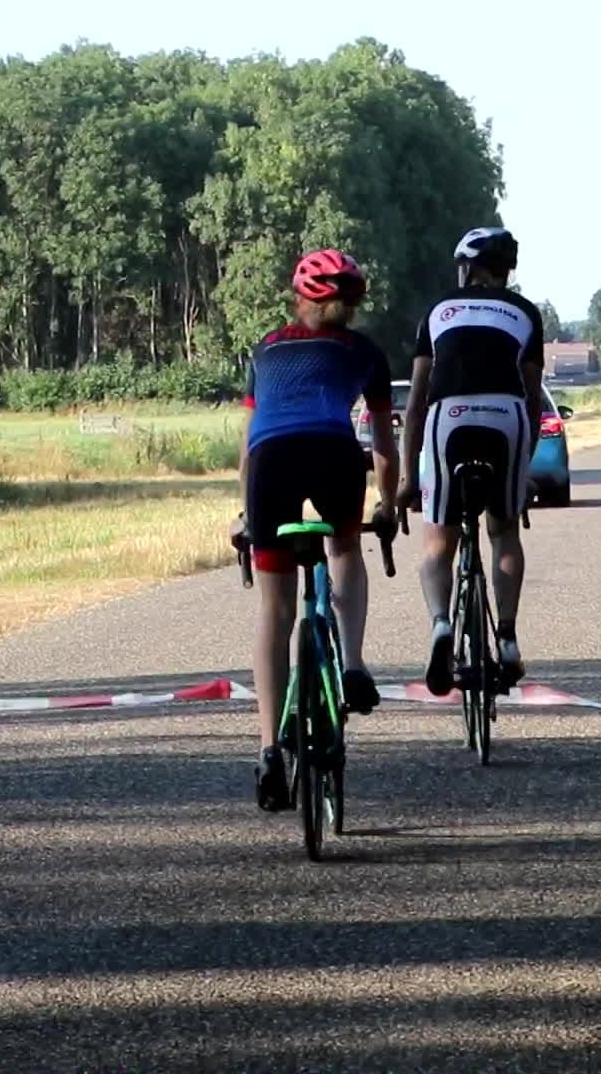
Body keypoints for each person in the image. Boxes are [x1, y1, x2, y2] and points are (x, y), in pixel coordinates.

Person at [234, 248, 398, 811]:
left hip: (270, 461)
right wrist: (390, 503)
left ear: (299, 299)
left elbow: (250, 438)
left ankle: (267, 751)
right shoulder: (365, 351)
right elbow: (382, 441)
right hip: (333, 452)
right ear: (351, 305)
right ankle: (351, 665)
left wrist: (244, 512)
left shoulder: (265, 348)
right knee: (345, 548)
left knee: (275, 610)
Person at [396, 226, 545, 696]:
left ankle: (441, 624)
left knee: (437, 545)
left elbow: (417, 400)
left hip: (449, 416)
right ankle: (507, 636)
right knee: (504, 531)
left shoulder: (440, 309)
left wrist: (406, 477)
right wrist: (522, 472)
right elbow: (533, 398)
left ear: (468, 267)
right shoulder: (525, 312)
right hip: (507, 416)